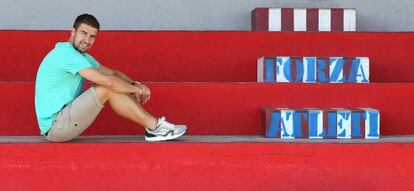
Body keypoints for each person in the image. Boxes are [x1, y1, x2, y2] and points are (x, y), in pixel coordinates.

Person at [35, 14, 187, 142]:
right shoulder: (66, 55)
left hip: (63, 120)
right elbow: (107, 82)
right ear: (73, 31)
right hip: (56, 127)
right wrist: (136, 90)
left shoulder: (79, 56)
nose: (87, 41)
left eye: (92, 36)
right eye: (83, 33)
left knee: (111, 84)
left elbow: (112, 73)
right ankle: (154, 127)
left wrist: (134, 83)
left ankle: (154, 127)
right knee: (107, 88)